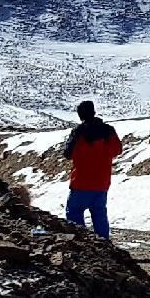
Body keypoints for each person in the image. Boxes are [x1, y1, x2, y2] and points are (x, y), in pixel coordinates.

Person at [59, 101, 122, 237]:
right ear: (93, 112)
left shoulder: (78, 132)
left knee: (74, 213)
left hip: (80, 181)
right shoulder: (108, 130)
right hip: (102, 182)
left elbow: (67, 154)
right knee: (99, 214)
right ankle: (105, 247)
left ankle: (81, 244)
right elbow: (118, 149)